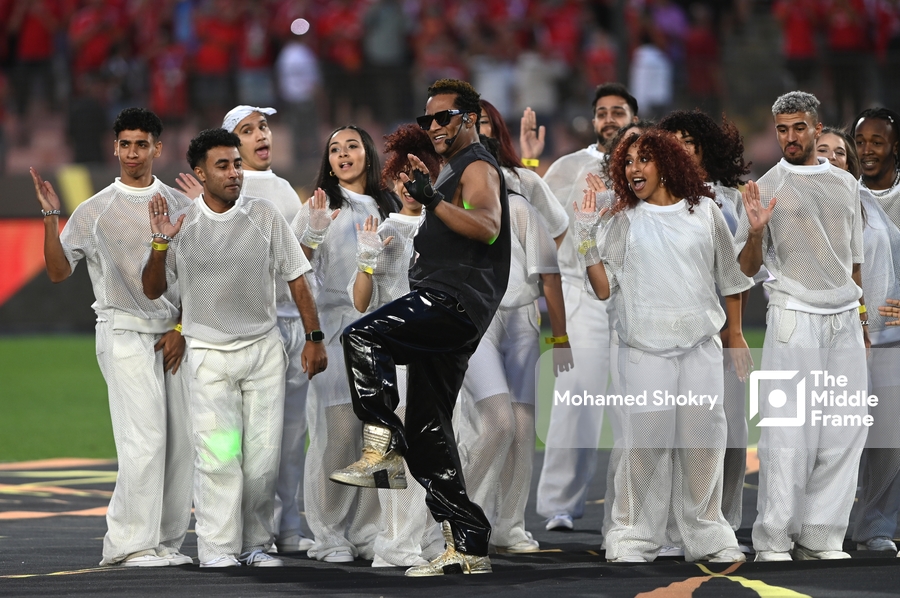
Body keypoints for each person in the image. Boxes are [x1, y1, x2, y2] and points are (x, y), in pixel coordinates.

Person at [331, 78, 510, 576]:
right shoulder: (455, 168)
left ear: (468, 118)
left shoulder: (475, 166)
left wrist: (432, 200)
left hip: (451, 301)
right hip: (456, 307)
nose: (432, 125)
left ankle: (380, 444)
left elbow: (488, 225)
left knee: (361, 335)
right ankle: (468, 543)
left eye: (443, 117)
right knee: (429, 430)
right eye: (427, 118)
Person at [142, 128, 327, 568]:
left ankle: (255, 545)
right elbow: (152, 289)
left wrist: (315, 337)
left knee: (263, 461)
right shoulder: (180, 224)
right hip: (208, 356)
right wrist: (159, 242)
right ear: (200, 173)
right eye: (222, 166)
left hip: (263, 352)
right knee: (220, 459)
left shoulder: (263, 215)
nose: (234, 173)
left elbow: (296, 277)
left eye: (236, 163)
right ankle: (218, 549)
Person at [576, 128, 751, 563]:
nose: (634, 169)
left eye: (643, 160)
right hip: (644, 352)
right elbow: (602, 290)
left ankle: (708, 534)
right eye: (628, 162)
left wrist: (735, 333)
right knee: (645, 446)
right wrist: (585, 238)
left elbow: (730, 278)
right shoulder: (621, 219)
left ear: (667, 163)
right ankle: (632, 537)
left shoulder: (706, 212)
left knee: (702, 445)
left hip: (700, 349)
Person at [30, 107, 194, 567]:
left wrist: (180, 328)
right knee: (144, 441)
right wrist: (49, 215)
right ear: (115, 146)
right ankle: (129, 544)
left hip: (172, 336)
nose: (132, 153)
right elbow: (59, 271)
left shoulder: (179, 206)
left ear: (158, 149)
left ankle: (164, 541)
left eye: (142, 144)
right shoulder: (95, 209)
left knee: (180, 443)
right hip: (122, 332)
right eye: (125, 144)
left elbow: (198, 276)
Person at [736, 91, 868, 562]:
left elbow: (854, 263)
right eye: (782, 129)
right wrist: (754, 232)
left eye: (798, 128)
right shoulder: (765, 185)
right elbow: (747, 269)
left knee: (845, 430)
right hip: (793, 316)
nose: (789, 137)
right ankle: (773, 539)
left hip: (845, 317)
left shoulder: (846, 185)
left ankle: (821, 534)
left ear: (817, 128)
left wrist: (863, 323)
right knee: (788, 434)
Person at [456, 130, 570, 555]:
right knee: (496, 423)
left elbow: (550, 274)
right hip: (476, 324)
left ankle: (510, 525)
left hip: (522, 321)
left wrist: (560, 336)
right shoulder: (451, 212)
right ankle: (457, 509)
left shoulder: (520, 206)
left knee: (522, 428)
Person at [291, 124, 398, 564]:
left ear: (368, 154)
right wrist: (312, 234)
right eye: (334, 149)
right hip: (333, 328)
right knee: (338, 432)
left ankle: (370, 528)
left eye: (351, 146)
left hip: (382, 331)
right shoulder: (318, 205)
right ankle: (329, 532)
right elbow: (294, 267)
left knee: (382, 434)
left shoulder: (389, 205)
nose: (342, 154)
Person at [537, 83, 640, 533]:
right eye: (602, 112)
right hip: (582, 294)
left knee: (633, 404)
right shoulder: (569, 167)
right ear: (593, 120)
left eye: (619, 111)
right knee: (576, 398)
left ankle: (629, 510)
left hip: (635, 297)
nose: (610, 119)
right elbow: (540, 224)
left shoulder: (647, 165)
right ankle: (558, 504)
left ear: (634, 118)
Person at [349, 124, 445, 568]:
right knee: (400, 454)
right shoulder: (383, 229)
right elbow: (360, 302)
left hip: (438, 356)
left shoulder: (444, 224)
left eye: (418, 174)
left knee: (436, 450)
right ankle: (394, 545)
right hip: (399, 358)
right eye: (402, 176)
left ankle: (426, 541)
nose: (409, 185)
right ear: (389, 180)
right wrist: (366, 260)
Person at [219, 105, 314, 555]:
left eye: (263, 127)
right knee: (258, 436)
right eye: (247, 130)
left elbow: (301, 266)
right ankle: (248, 528)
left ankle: (287, 525)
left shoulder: (282, 190)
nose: (261, 135)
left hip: (293, 323)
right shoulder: (233, 191)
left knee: (288, 436)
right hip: (260, 326)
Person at [658, 109, 752, 545]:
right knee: (675, 432)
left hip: (721, 329)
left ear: (706, 147)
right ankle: (675, 526)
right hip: (670, 332)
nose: (681, 147)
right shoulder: (657, 198)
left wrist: (734, 332)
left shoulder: (732, 201)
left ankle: (724, 519)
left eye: (689, 140)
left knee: (731, 431)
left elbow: (742, 273)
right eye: (672, 140)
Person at [850, 108, 900, 553]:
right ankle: (831, 520)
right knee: (841, 433)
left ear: (895, 146)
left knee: (888, 436)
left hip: (894, 340)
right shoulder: (844, 194)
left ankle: (877, 525)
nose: (867, 149)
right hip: (846, 335)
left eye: (877, 141)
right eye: (861, 141)